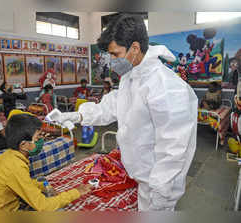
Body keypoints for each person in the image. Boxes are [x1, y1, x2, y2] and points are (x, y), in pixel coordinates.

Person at [52, 14, 198, 211]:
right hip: (141, 176)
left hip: (159, 185)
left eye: (115, 54)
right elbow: (111, 106)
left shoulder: (167, 87)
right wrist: (75, 116)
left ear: (135, 48)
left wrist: (161, 195)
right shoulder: (131, 78)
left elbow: (174, 150)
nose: (112, 60)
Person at [0, 113, 92, 211]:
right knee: (58, 210)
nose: (41, 141)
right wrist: (77, 192)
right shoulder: (15, 166)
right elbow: (44, 206)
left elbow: (23, 182)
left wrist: (41, 185)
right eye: (37, 138)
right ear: (23, 145)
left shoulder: (9, 156)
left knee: (45, 198)